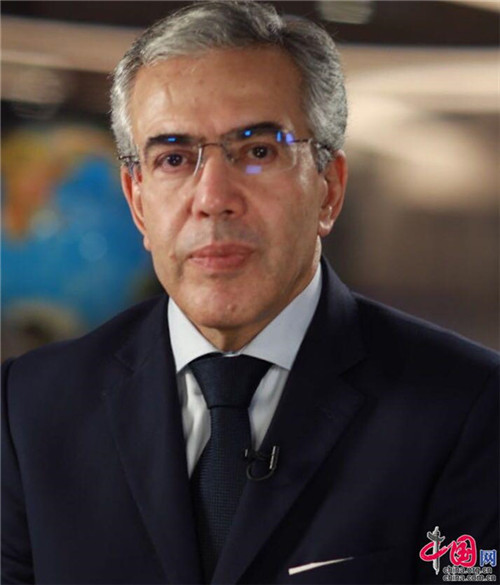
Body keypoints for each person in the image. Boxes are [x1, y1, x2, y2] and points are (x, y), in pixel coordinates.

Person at [2, 2, 498, 584]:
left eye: (258, 151)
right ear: (137, 202)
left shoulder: (468, 409)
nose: (213, 198)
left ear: (329, 189)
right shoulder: (28, 408)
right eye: (174, 158)